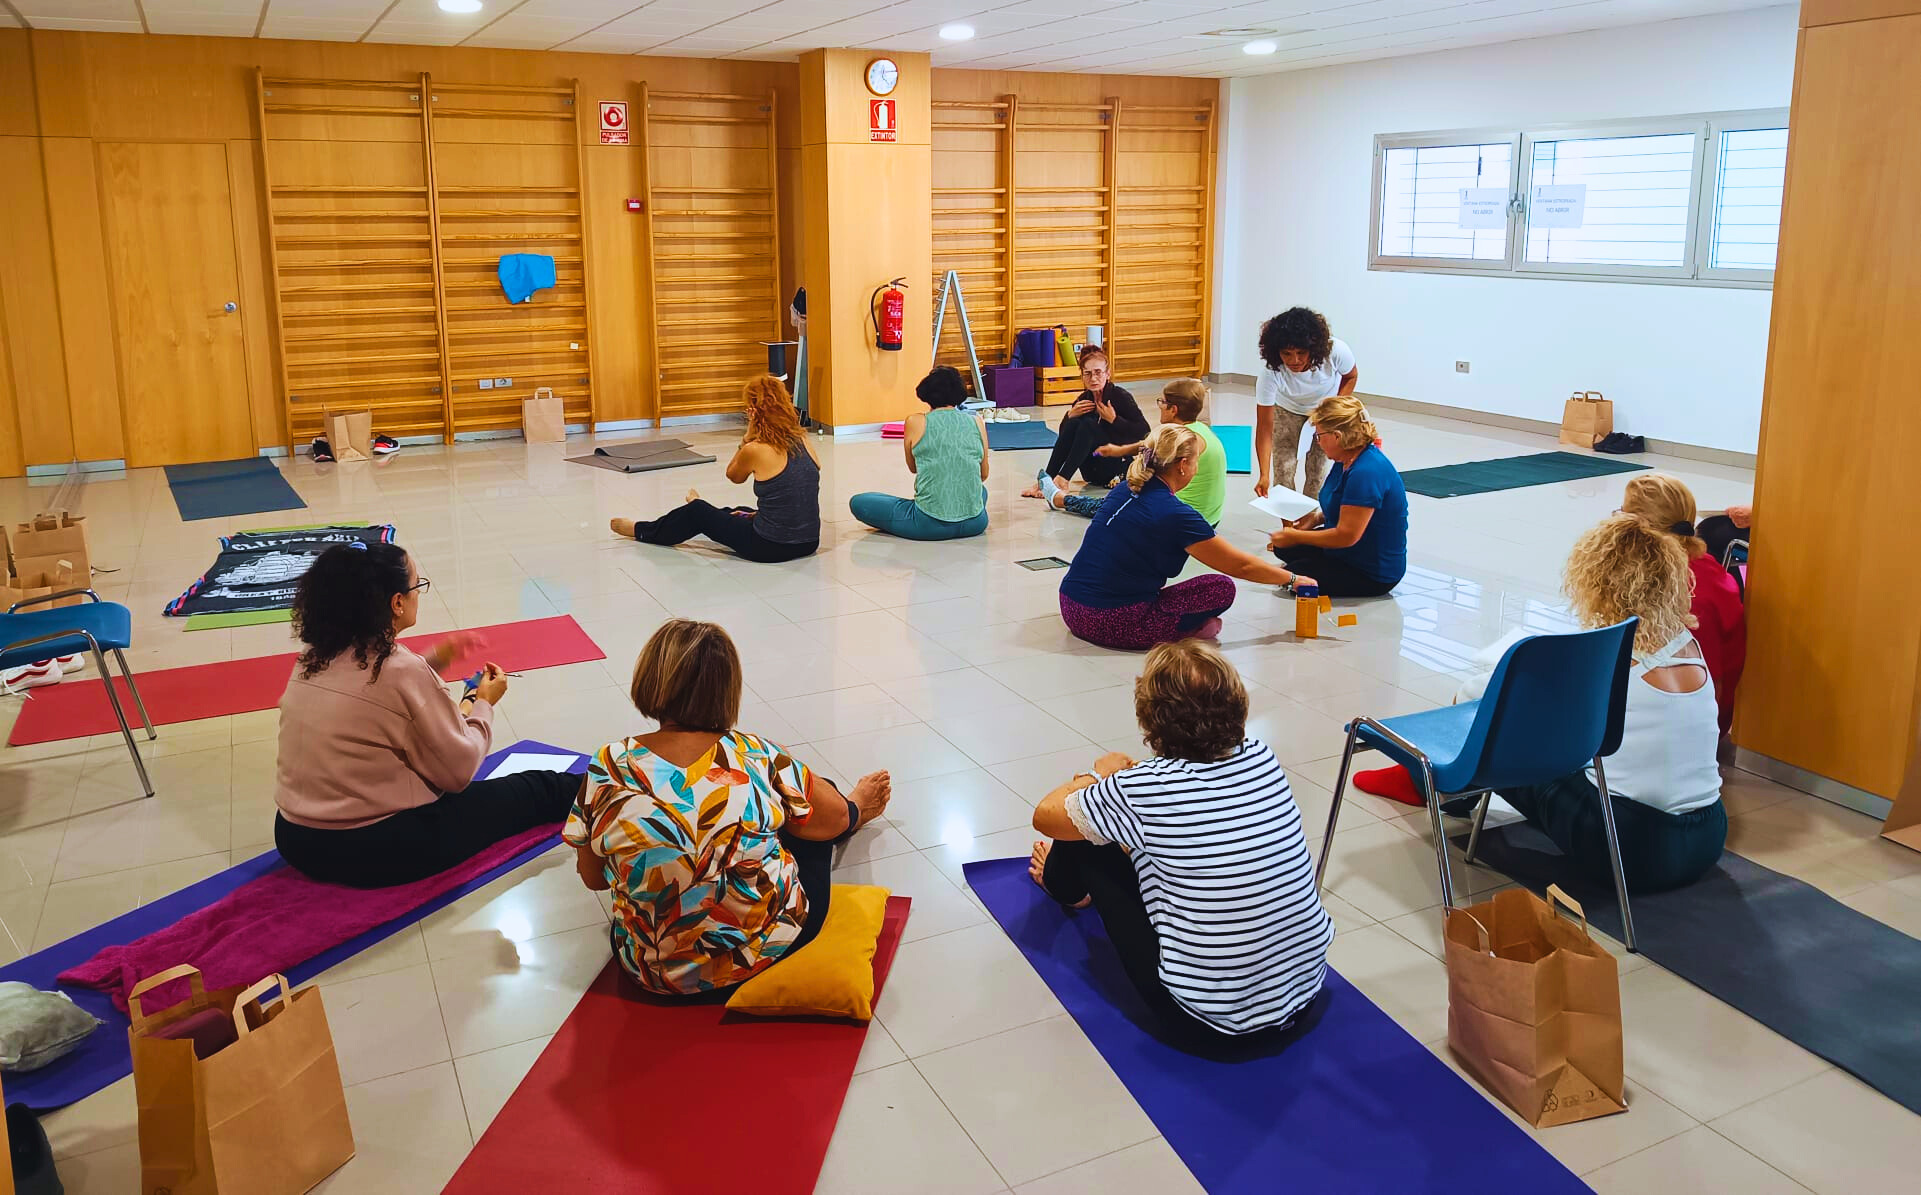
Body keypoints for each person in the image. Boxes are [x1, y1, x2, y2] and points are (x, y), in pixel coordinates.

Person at [1030, 639, 1333, 1050]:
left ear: (1150, 718)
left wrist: (1097, 774)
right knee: (1124, 829)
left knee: (1086, 834)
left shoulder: (1143, 788)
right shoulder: (1263, 757)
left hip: (1210, 1024)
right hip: (1304, 993)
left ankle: (1062, 886)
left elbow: (1045, 815)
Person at [567, 619, 893, 997]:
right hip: (761, 952)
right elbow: (831, 819)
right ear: (728, 689)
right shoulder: (756, 754)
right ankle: (857, 806)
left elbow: (594, 879)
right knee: (816, 802)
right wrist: (845, 809)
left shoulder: (607, 764)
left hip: (651, 972)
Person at [272, 543, 577, 888]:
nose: (419, 594)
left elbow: (377, 696)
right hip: (368, 848)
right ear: (397, 602)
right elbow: (459, 771)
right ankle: (611, 789)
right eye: (417, 586)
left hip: (294, 837)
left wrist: (436, 659)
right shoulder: (399, 670)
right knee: (538, 789)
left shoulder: (314, 656)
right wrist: (484, 703)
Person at [1466, 515, 1728, 893]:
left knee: (1510, 747)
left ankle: (1447, 795)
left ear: (1599, 583)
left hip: (1633, 845)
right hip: (1708, 835)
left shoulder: (1602, 658)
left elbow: (1524, 719)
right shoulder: (1687, 641)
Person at [1058, 425, 1312, 651]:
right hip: (1115, 622)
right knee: (1220, 588)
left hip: (1070, 607)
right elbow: (1240, 566)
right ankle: (1186, 632)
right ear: (1182, 465)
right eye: (1196, 461)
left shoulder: (1125, 488)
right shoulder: (1177, 515)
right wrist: (1293, 579)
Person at [611, 375, 819, 562]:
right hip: (809, 542)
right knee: (737, 511)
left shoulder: (756, 449)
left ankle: (640, 530)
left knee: (696, 512)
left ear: (754, 412)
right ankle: (704, 510)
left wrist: (747, 437)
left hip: (769, 546)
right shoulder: (802, 439)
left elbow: (733, 475)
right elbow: (799, 488)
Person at [1621, 474, 1745, 734]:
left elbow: (1706, 683)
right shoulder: (1705, 566)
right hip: (1698, 712)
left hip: (1688, 723)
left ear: (1638, 527)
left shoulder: (1681, 590)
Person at [1265, 395, 1407, 597]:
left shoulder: (1366, 472)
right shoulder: (1345, 459)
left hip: (1370, 571)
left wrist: (1296, 535)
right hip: (1347, 551)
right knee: (1284, 548)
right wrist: (1315, 520)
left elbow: (1346, 536)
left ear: (1337, 436)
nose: (1318, 442)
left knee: (1292, 574)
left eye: (1319, 436)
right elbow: (1342, 503)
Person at [1044, 378, 1226, 527]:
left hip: (1183, 518)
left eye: (1162, 402)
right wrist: (1119, 450)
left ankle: (1061, 500)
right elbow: (1149, 445)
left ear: (1173, 409)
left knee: (1117, 502)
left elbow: (1147, 469)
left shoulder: (1183, 440)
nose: (1159, 406)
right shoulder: (1199, 429)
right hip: (1210, 517)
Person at [848, 365, 990, 540]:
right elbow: (983, 474)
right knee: (981, 491)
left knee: (859, 502)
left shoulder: (915, 421)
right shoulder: (976, 422)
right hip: (976, 522)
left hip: (928, 524)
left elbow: (913, 467)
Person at [1019, 346, 1150, 502]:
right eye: (1087, 373)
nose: (1093, 378)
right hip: (1091, 471)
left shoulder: (1120, 396)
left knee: (1088, 425)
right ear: (1082, 376)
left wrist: (1115, 420)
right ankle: (1047, 479)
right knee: (1074, 423)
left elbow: (1144, 433)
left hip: (1117, 468)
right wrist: (1069, 416)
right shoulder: (1083, 399)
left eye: (1098, 372)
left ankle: (1063, 479)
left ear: (1107, 374)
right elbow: (1066, 438)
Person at [1254, 306, 1358, 499]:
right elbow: (1264, 428)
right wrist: (1263, 475)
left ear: (1313, 348)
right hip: (1287, 410)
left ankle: (1313, 515)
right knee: (1283, 471)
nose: (1295, 360)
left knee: (1318, 471)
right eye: (1286, 353)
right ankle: (1287, 517)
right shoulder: (1270, 373)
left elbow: (1350, 376)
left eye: (1301, 353)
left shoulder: (1336, 351)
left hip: (1324, 410)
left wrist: (1335, 408)